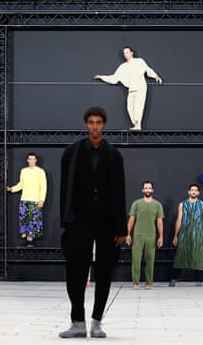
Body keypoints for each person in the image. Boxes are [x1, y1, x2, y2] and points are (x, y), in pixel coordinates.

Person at [59, 106, 127, 339]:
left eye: (99, 122)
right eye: (91, 122)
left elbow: (120, 192)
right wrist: (66, 220)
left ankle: (97, 322)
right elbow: (64, 189)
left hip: (107, 221)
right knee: (75, 272)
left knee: (105, 271)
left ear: (104, 125)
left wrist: (121, 227)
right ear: (86, 124)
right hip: (79, 220)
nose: (95, 127)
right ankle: (78, 322)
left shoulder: (114, 155)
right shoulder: (72, 152)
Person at [94, 46, 162, 131]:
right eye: (124, 53)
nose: (125, 54)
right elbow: (114, 78)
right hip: (132, 89)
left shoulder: (139, 61)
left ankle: (138, 125)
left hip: (141, 87)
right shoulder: (123, 66)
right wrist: (101, 77)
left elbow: (148, 70)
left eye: (127, 52)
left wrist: (156, 76)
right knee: (129, 107)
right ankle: (135, 124)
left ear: (131, 53)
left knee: (138, 106)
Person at [169, 184, 203, 287]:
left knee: (198, 255)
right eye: (191, 190)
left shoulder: (202, 205)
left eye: (195, 190)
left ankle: (199, 280)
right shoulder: (182, 204)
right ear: (188, 192)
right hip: (184, 233)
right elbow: (179, 220)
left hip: (198, 233)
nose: (193, 192)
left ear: (198, 193)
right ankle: (174, 279)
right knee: (180, 255)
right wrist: (175, 235)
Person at [126, 181, 164, 290]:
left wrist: (161, 236)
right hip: (138, 234)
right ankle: (135, 282)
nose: (147, 190)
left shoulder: (157, 205)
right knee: (136, 259)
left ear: (152, 190)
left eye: (149, 188)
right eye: (146, 188)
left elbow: (159, 221)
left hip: (151, 235)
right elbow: (132, 219)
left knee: (150, 260)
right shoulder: (136, 203)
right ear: (143, 190)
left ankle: (148, 283)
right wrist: (128, 234)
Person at [7, 152, 48, 247]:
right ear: (27, 160)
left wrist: (42, 200)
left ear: (36, 160)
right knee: (24, 220)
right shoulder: (23, 171)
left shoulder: (40, 171)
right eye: (30, 159)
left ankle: (31, 241)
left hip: (35, 200)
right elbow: (21, 184)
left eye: (33, 159)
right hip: (24, 200)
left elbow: (44, 187)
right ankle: (27, 241)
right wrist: (12, 189)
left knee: (34, 221)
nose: (32, 161)